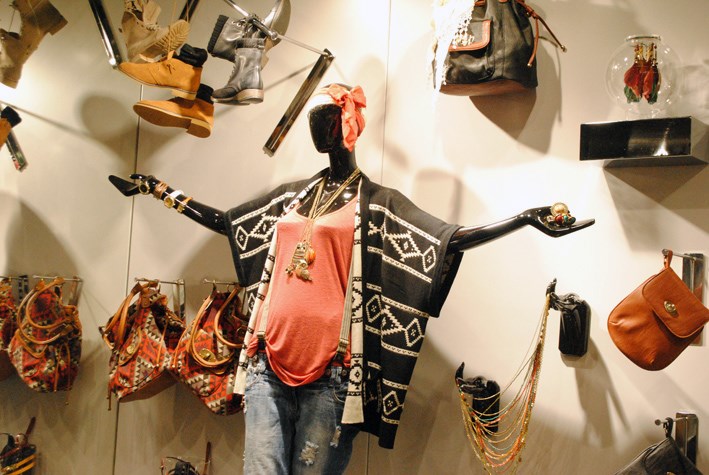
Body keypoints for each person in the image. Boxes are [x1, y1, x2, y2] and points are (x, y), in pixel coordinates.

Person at [109, 83, 593, 474]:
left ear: (345, 124)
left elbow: (449, 240)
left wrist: (524, 218)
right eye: (311, 121)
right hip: (266, 362)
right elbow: (228, 223)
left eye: (322, 119)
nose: (315, 130)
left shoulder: (377, 204)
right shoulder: (291, 199)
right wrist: (158, 188)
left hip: (334, 372)